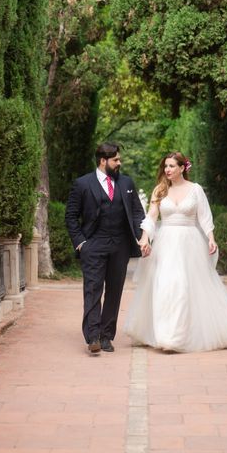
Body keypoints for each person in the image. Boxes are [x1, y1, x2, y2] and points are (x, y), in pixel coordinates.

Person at [124, 152, 227, 352]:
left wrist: (211, 238)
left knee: (184, 287)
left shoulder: (195, 190)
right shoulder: (160, 190)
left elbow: (205, 216)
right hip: (166, 244)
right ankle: (167, 336)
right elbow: (151, 217)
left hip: (190, 244)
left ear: (182, 168)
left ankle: (178, 336)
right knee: (166, 285)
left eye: (172, 166)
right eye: (166, 166)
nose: (167, 170)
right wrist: (145, 238)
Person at [65, 142, 149, 354]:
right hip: (93, 244)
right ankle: (92, 336)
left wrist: (142, 237)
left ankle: (106, 336)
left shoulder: (127, 183)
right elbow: (71, 216)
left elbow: (138, 212)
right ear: (103, 161)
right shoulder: (83, 184)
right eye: (116, 160)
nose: (119, 163)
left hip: (120, 245)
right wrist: (81, 243)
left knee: (114, 291)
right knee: (93, 289)